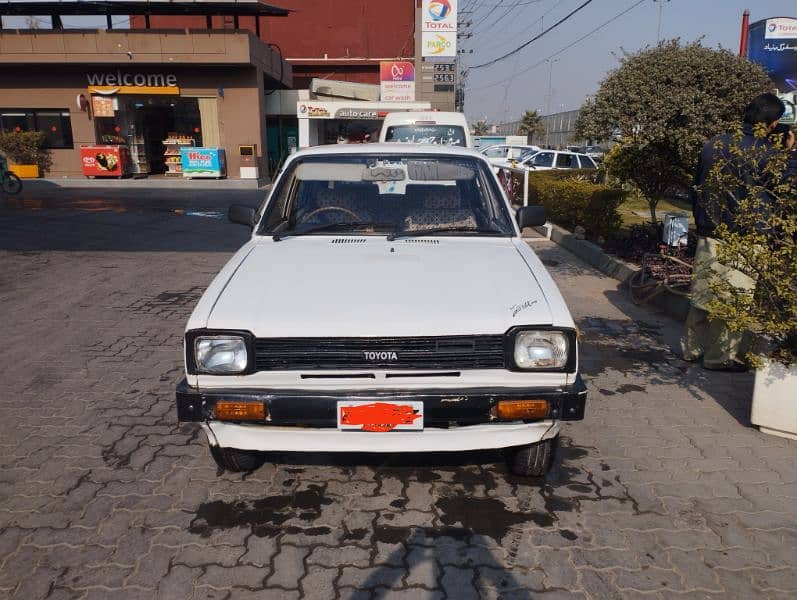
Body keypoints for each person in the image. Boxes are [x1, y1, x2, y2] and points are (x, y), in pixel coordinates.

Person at [682, 93, 795, 371]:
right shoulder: (766, 153)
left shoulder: (714, 144)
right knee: (733, 303)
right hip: (745, 238)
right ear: (771, 123)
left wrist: (701, 219)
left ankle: (691, 350)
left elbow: (696, 188)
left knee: (702, 297)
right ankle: (717, 359)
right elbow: (785, 186)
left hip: (710, 232)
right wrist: (791, 153)